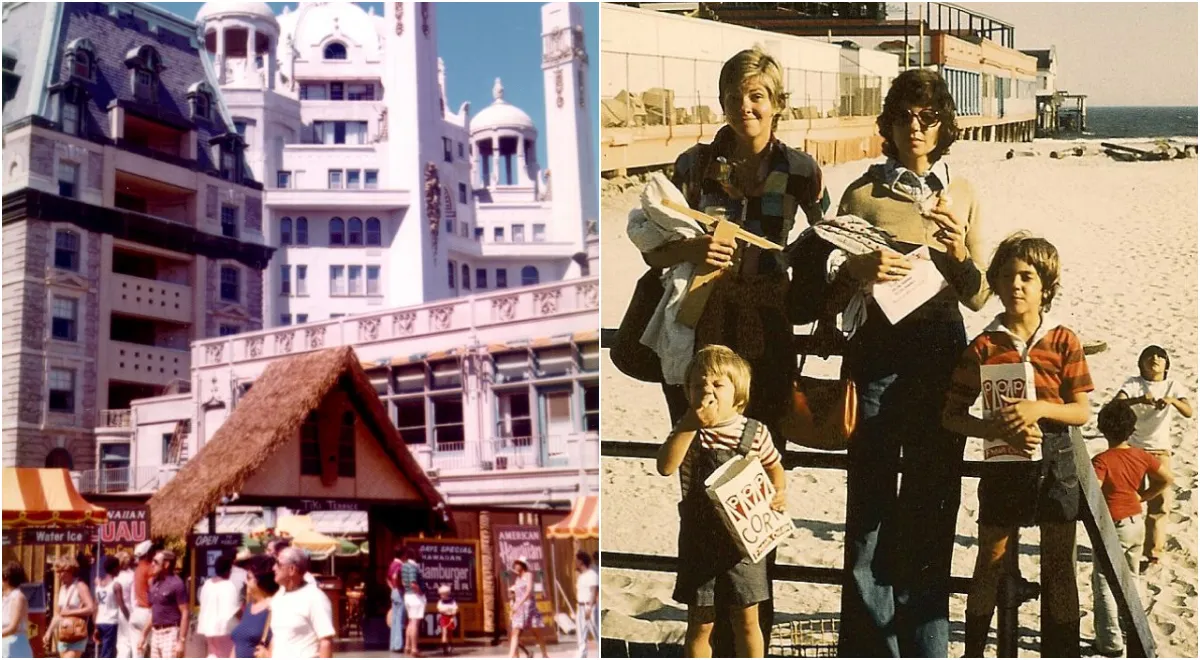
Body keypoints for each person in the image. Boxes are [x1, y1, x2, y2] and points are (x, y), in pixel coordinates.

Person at [796, 67, 990, 658]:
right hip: (877, 358)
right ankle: (871, 651)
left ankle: (927, 649)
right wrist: (855, 270)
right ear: (888, 122)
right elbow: (824, 292)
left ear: (944, 126)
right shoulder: (862, 194)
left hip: (939, 361)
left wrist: (957, 249)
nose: (915, 126)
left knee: (933, 510)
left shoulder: (962, 194)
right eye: (904, 115)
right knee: (871, 516)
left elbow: (979, 294)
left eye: (928, 117)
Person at [943, 232, 1093, 657]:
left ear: (1046, 285)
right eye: (1006, 276)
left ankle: (1062, 651)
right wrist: (991, 430)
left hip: (1056, 460)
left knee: (1059, 563)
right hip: (1003, 462)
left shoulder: (1064, 340)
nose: (1016, 285)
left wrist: (1038, 409)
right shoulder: (985, 346)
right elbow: (951, 416)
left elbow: (1081, 411)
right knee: (990, 558)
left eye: (1027, 276)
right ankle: (975, 649)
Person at [656, 345, 786, 658]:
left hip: (743, 543)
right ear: (687, 392)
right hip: (700, 541)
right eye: (698, 384)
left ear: (738, 393)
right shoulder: (689, 431)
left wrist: (779, 491)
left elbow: (774, 465)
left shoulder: (754, 432)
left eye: (717, 384)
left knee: (747, 619)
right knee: (701, 623)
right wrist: (688, 423)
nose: (707, 391)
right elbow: (665, 466)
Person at [1090, 400, 1173, 656]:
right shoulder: (1141, 455)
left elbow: (1094, 490)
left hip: (1114, 523)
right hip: (1136, 521)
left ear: (1103, 429)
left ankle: (1111, 642)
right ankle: (1134, 628)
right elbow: (1167, 479)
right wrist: (1144, 496)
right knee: (1132, 576)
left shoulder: (1102, 460)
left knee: (1103, 581)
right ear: (1131, 429)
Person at [1114, 345, 1193, 573]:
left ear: (1167, 364)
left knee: (1160, 503)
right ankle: (1127, 548)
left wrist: (1171, 401)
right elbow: (1115, 405)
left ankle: (1154, 553)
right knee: (1129, 500)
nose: (1155, 359)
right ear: (1141, 363)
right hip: (1133, 450)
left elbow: (1188, 411)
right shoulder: (1133, 383)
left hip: (1161, 451)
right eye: (1150, 356)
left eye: (1160, 356)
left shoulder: (1172, 385)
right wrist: (1140, 399)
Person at [270, 547, 335, 658]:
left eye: (278, 564)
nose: (273, 568)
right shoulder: (279, 596)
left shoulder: (315, 598)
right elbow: (277, 636)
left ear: (292, 569)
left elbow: (326, 642)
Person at [44, 555, 96, 658]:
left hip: (77, 633)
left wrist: (69, 612)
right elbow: (58, 614)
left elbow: (91, 608)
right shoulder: (62, 588)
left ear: (70, 570)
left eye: (61, 571)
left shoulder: (80, 586)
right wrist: (49, 632)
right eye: (57, 572)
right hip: (64, 634)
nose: (59, 575)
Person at [139, 550, 188, 659]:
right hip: (156, 633)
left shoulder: (177, 584)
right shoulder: (154, 583)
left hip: (170, 633)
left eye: (156, 562)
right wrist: (143, 635)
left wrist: (181, 641)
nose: (152, 564)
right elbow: (154, 612)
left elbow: (185, 612)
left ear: (166, 564)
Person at [230, 556, 279, 659]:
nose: (245, 581)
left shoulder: (275, 607)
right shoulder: (250, 607)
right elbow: (238, 644)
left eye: (249, 577)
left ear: (261, 581)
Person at [197, 555, 240, 658]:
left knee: (212, 655)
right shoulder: (229, 586)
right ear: (228, 570)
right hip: (224, 631)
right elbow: (233, 610)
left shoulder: (207, 584)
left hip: (208, 630)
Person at [507, 558, 549, 658]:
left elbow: (529, 590)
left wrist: (519, 603)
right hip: (519, 610)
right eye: (515, 564)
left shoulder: (528, 575)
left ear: (522, 565)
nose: (515, 566)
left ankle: (545, 655)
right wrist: (513, 606)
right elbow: (516, 594)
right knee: (515, 633)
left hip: (529, 607)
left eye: (517, 564)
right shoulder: (517, 579)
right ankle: (510, 657)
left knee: (537, 633)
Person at [2, 560, 33, 658]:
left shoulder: (17, 597)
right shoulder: (4, 598)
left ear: (6, 578)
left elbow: (13, 627)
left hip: (16, 648)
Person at [130, 541, 155, 658]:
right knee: (153, 650)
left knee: (137, 653)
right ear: (148, 553)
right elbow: (153, 589)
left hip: (137, 612)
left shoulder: (137, 569)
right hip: (147, 612)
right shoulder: (149, 568)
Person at [94, 555, 122, 657]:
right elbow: (122, 606)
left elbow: (95, 606)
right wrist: (129, 619)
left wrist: (95, 625)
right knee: (108, 652)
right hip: (111, 622)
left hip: (100, 621)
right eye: (118, 567)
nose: (119, 569)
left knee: (106, 650)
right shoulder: (115, 585)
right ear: (114, 568)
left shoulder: (98, 585)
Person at [400, 547, 426, 657]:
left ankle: (407, 646)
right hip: (415, 597)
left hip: (408, 595)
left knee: (410, 622)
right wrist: (419, 592)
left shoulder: (404, 566)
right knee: (415, 623)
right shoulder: (413, 567)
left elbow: (403, 581)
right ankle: (414, 649)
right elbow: (413, 583)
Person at [574, 551, 599, 658]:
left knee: (596, 633)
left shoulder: (592, 574)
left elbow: (593, 592)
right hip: (580, 607)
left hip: (589, 607)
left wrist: (589, 608)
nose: (574, 563)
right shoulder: (581, 576)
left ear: (581, 561)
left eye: (576, 560)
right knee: (581, 634)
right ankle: (582, 655)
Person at [113, 551, 136, 658]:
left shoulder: (117, 577)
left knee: (123, 642)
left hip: (121, 610)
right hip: (130, 609)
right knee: (130, 640)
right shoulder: (133, 575)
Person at [388, 547, 406, 654]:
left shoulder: (391, 564)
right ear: (403, 555)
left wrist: (393, 587)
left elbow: (387, 578)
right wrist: (400, 586)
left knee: (394, 620)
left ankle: (393, 644)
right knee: (399, 619)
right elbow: (395, 576)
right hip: (399, 592)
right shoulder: (400, 565)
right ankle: (398, 645)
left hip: (394, 592)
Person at [435, 585, 458, 656]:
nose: (441, 596)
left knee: (450, 633)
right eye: (440, 594)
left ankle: (450, 645)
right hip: (443, 618)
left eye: (443, 594)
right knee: (444, 632)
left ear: (447, 594)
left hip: (450, 618)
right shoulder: (440, 602)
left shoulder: (452, 601)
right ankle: (444, 649)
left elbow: (455, 609)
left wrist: (452, 615)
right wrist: (447, 610)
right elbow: (439, 609)